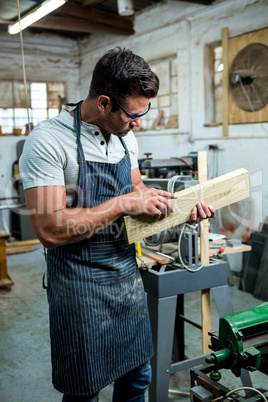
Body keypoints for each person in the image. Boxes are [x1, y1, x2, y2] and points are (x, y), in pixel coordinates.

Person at [19, 47, 215, 402]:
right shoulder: (48, 140)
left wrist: (182, 210)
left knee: (138, 376)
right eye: (132, 114)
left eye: (144, 112)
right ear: (105, 103)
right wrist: (124, 203)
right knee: (85, 389)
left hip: (125, 276)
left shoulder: (127, 137)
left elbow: (138, 190)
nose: (138, 122)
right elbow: (49, 228)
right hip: (78, 284)